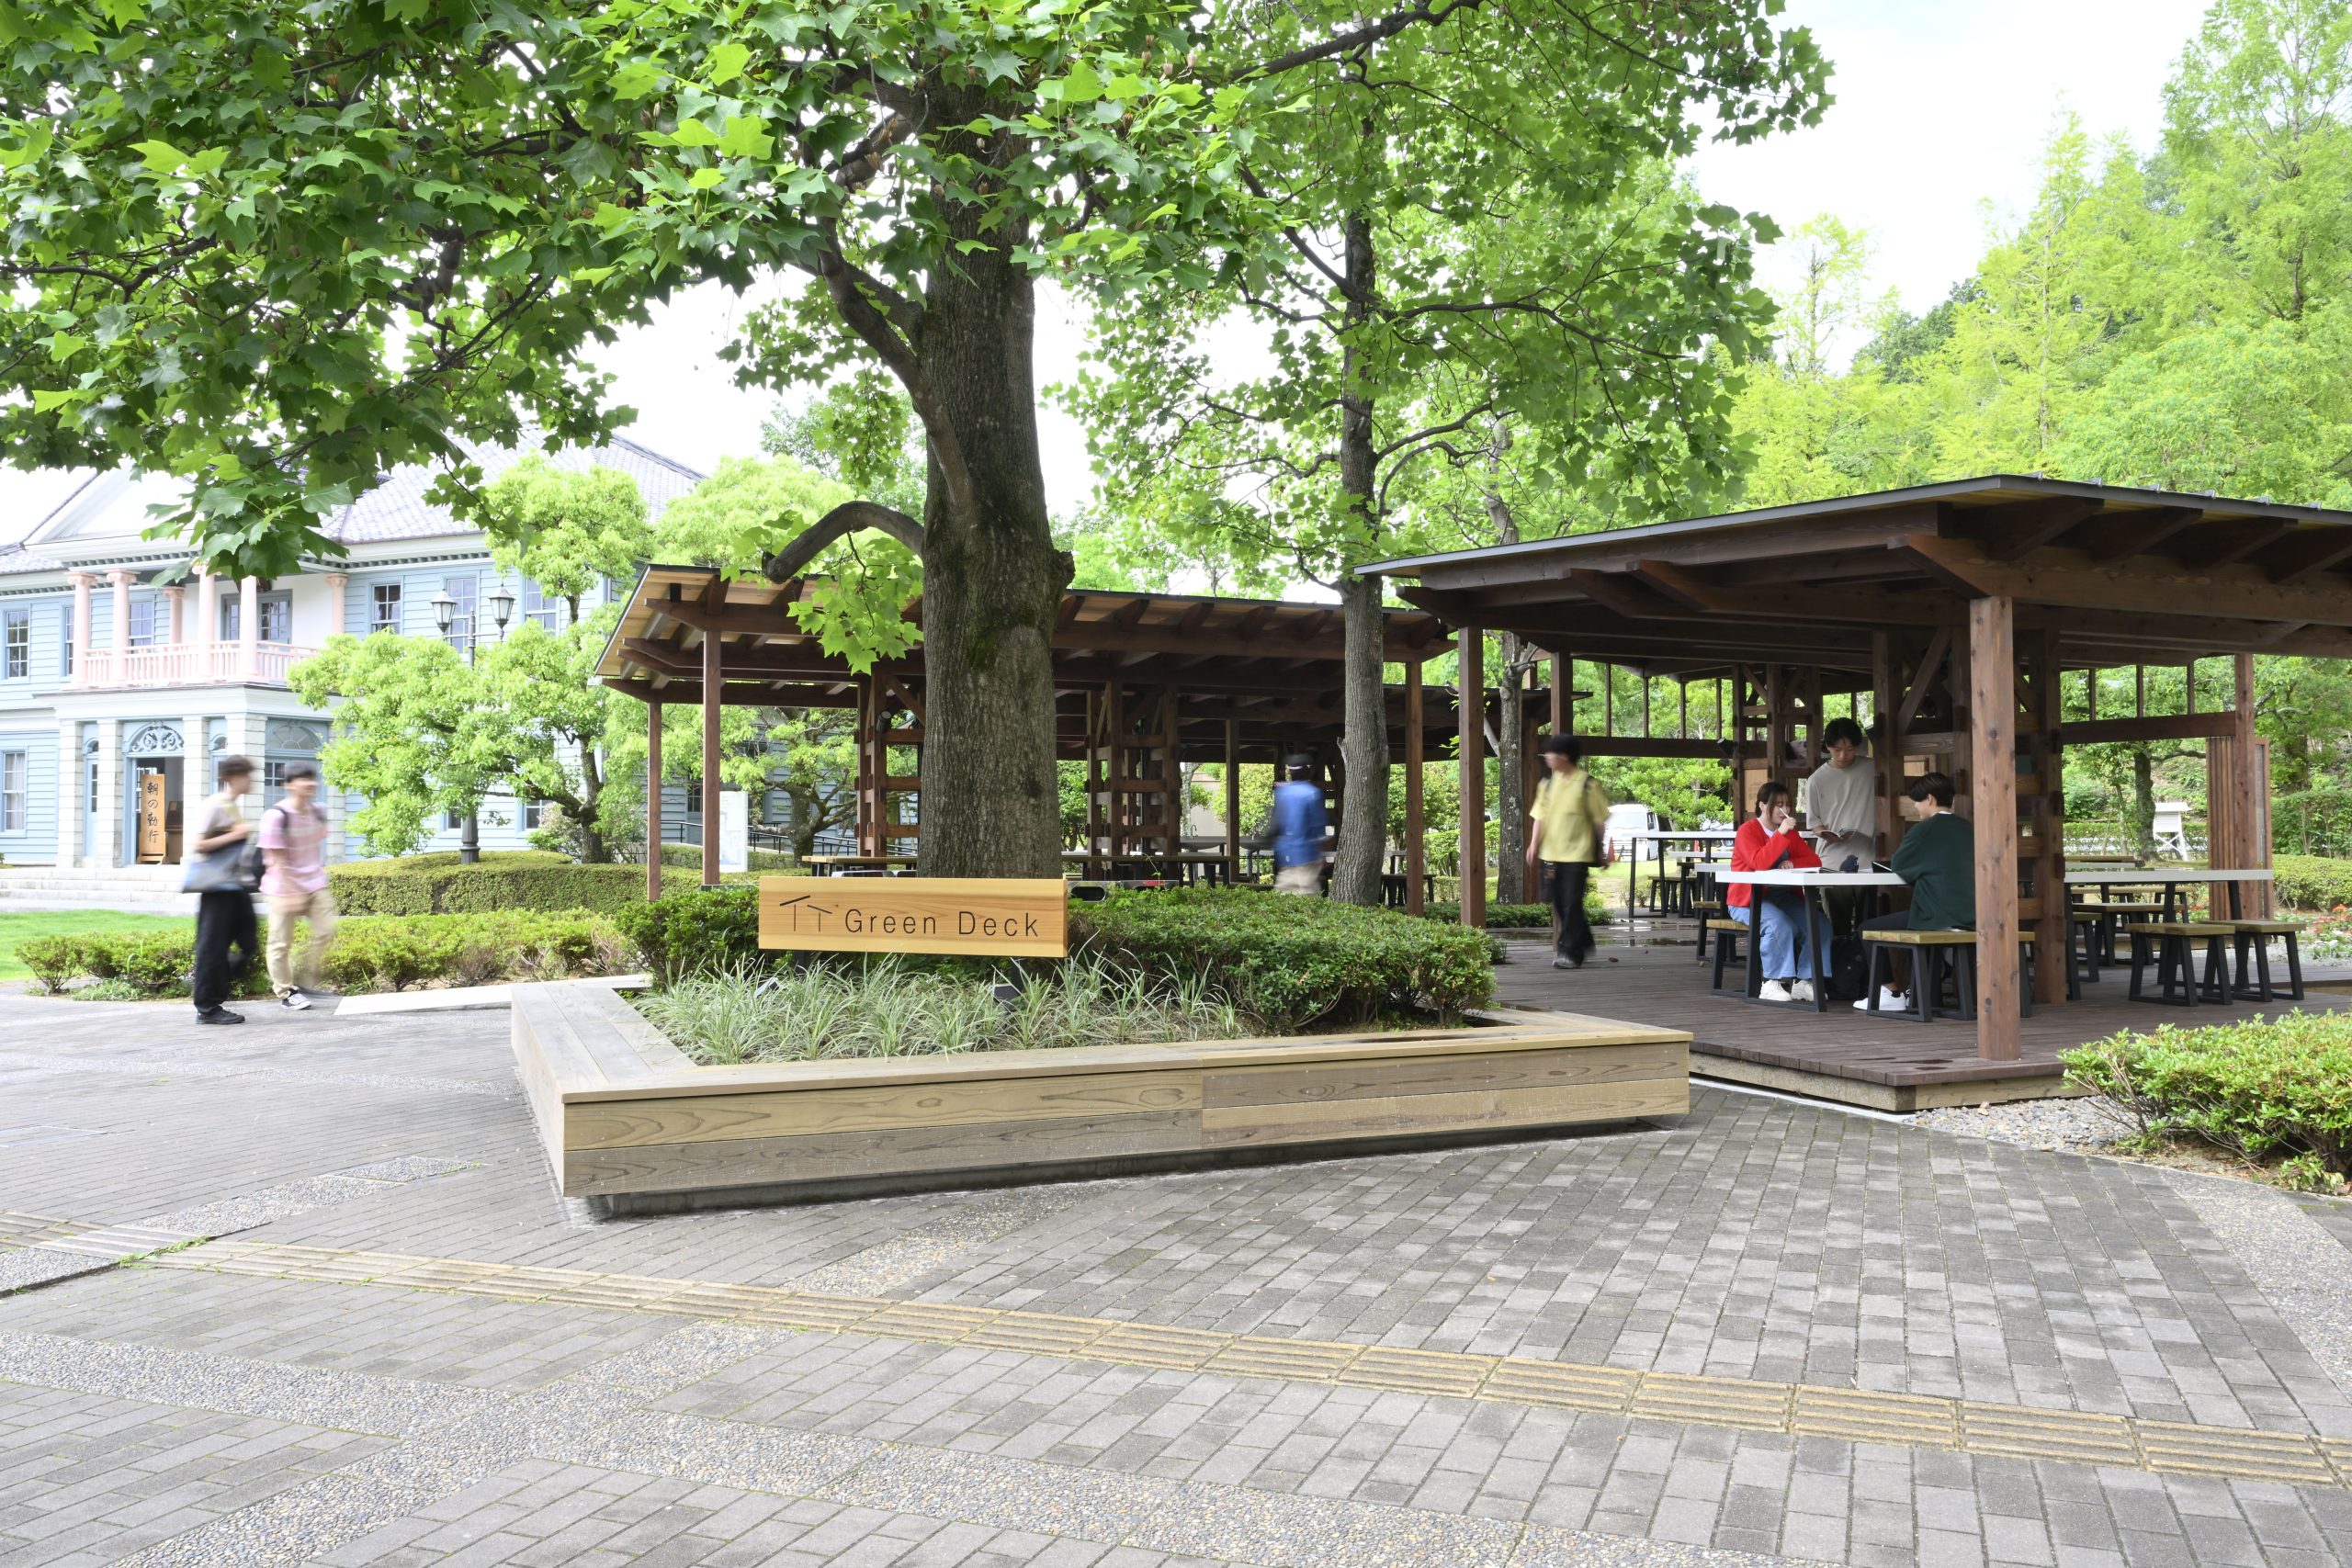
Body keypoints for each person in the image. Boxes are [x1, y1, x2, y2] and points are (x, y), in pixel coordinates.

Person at [1857, 772, 1975, 1011]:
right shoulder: (1968, 828)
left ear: (1930, 799)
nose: (1916, 806)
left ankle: (1890, 992)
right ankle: (1918, 993)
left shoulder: (1925, 829)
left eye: (1917, 801)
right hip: (1972, 915)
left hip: (1937, 916)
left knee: (1866, 929)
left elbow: (1900, 865)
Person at [1729, 780, 1831, 1003]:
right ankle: (1770, 982)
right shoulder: (1748, 831)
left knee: (1820, 925)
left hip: (1783, 897)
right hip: (1748, 901)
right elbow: (1758, 862)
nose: (1784, 810)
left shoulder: (1790, 834)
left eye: (1787, 804)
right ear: (1762, 806)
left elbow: (1814, 859)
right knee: (1778, 925)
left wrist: (1792, 862)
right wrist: (1781, 834)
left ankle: (1805, 981)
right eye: (1778, 805)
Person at [1525, 735, 1611, 970]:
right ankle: (1584, 939)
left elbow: (1598, 822)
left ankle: (1569, 952)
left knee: (1572, 903)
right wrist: (1534, 845)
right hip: (1551, 854)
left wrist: (1601, 852)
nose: (1547, 757)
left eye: (1551, 753)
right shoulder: (1547, 784)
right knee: (1560, 903)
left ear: (1564, 756)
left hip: (1578, 854)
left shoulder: (1587, 784)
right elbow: (1539, 818)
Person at [187, 755, 260, 1025]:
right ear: (232, 777)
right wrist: (237, 834)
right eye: (247, 775)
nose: (251, 780)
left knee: (249, 943)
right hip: (216, 887)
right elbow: (198, 845)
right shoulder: (214, 805)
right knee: (211, 948)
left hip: (235, 886)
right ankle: (207, 1008)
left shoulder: (230, 806)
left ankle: (218, 978)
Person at [259, 762, 337, 1009]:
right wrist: (291, 892)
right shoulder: (276, 816)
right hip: (282, 886)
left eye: (312, 778)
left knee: (326, 930)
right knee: (280, 942)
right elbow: (276, 860)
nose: (311, 783)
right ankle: (286, 992)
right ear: (289, 784)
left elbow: (316, 844)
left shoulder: (318, 811)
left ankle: (303, 978)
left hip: (314, 882)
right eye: (304, 779)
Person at [1804, 717, 1876, 874]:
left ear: (1857, 746)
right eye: (1837, 750)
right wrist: (1828, 835)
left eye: (1850, 749)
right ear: (1828, 746)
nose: (1843, 755)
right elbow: (1814, 824)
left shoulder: (1872, 768)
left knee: (1869, 899)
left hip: (1869, 858)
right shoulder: (1816, 780)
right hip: (1831, 858)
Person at [1269, 757, 1329, 896]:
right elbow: (1318, 827)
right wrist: (1322, 853)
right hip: (1307, 853)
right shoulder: (1312, 793)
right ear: (1306, 772)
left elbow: (1276, 824)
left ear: (1290, 773)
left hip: (1285, 854)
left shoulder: (1281, 793)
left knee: (1284, 895)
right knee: (1308, 895)